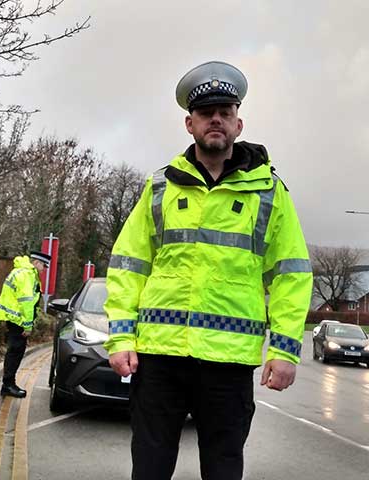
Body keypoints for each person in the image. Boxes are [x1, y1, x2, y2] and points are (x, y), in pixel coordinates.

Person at [104, 61, 313, 480]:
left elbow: (291, 274)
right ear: (189, 123)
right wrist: (121, 337)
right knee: (149, 467)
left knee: (222, 468)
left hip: (228, 362)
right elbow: (128, 267)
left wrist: (285, 351)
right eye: (205, 112)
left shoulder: (270, 192)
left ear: (239, 122)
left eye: (225, 111)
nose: (215, 119)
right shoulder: (159, 187)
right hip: (159, 357)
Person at [0, 251, 50, 398]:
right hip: (18, 319)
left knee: (14, 351)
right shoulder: (27, 275)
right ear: (36, 262)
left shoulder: (21, 271)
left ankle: (8, 384)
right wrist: (27, 325)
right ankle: (8, 385)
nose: (44, 269)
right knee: (15, 352)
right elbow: (26, 302)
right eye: (44, 265)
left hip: (14, 318)